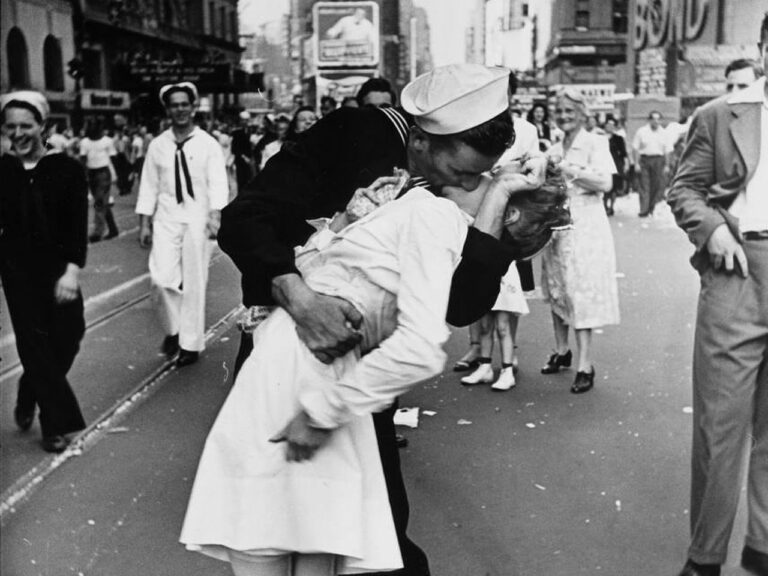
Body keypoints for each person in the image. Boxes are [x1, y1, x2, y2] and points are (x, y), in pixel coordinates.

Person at [217, 63, 547, 576]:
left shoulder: (455, 192)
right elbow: (243, 219)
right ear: (418, 139)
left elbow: (458, 304)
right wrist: (302, 300)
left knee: (371, 535)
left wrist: (502, 214)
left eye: (475, 175)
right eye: (457, 171)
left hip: (359, 370)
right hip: (288, 357)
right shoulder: (353, 134)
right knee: (281, 536)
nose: (461, 184)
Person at [666, 13, 768, 576]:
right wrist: (714, 229)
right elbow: (683, 190)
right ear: (763, 47)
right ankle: (705, 558)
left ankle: (763, 545)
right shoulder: (720, 114)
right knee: (720, 426)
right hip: (739, 271)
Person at [0, 91, 88, 453]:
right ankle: (55, 425)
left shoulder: (66, 170)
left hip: (57, 269)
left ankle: (30, 388)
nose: (18, 133)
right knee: (34, 344)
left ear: (43, 127)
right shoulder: (2, 170)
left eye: (26, 126)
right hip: (16, 271)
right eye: (10, 127)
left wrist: (71, 272)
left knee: (69, 336)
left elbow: (76, 225)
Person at [135, 82, 229, 367]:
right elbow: (149, 185)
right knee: (161, 280)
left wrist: (215, 216)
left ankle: (190, 343)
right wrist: (144, 223)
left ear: (193, 107)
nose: (180, 110)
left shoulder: (208, 144)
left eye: (184, 104)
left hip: (197, 219)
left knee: (195, 282)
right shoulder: (158, 145)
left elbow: (218, 182)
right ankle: (174, 330)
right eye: (174, 105)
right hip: (166, 218)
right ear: (168, 110)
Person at [539, 88, 620, 394]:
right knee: (558, 287)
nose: (563, 117)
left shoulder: (596, 142)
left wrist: (567, 169)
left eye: (570, 112)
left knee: (581, 290)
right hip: (557, 224)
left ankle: (585, 364)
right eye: (559, 111)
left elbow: (605, 182)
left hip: (586, 224)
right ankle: (562, 350)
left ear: (583, 114)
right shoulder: (555, 146)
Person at [79, 120, 119, 241]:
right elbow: (83, 159)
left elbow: (114, 157)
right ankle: (113, 229)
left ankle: (98, 232)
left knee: (100, 202)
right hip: (91, 173)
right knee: (100, 202)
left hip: (103, 173)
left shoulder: (107, 141)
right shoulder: (84, 142)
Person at [632, 110, 671, 217]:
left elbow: (667, 150)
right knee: (644, 185)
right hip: (645, 160)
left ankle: (651, 207)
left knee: (656, 185)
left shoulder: (664, 133)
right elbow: (635, 148)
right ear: (649, 120)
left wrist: (667, 165)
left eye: (658, 119)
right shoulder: (641, 131)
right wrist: (636, 163)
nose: (656, 121)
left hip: (658, 160)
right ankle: (643, 209)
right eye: (653, 119)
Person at [603, 116, 629, 216]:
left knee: (614, 186)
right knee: (605, 186)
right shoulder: (600, 138)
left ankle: (612, 206)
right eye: (608, 125)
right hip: (603, 164)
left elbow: (624, 153)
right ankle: (605, 205)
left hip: (615, 164)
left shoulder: (618, 138)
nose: (610, 127)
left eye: (612, 125)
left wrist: (626, 164)